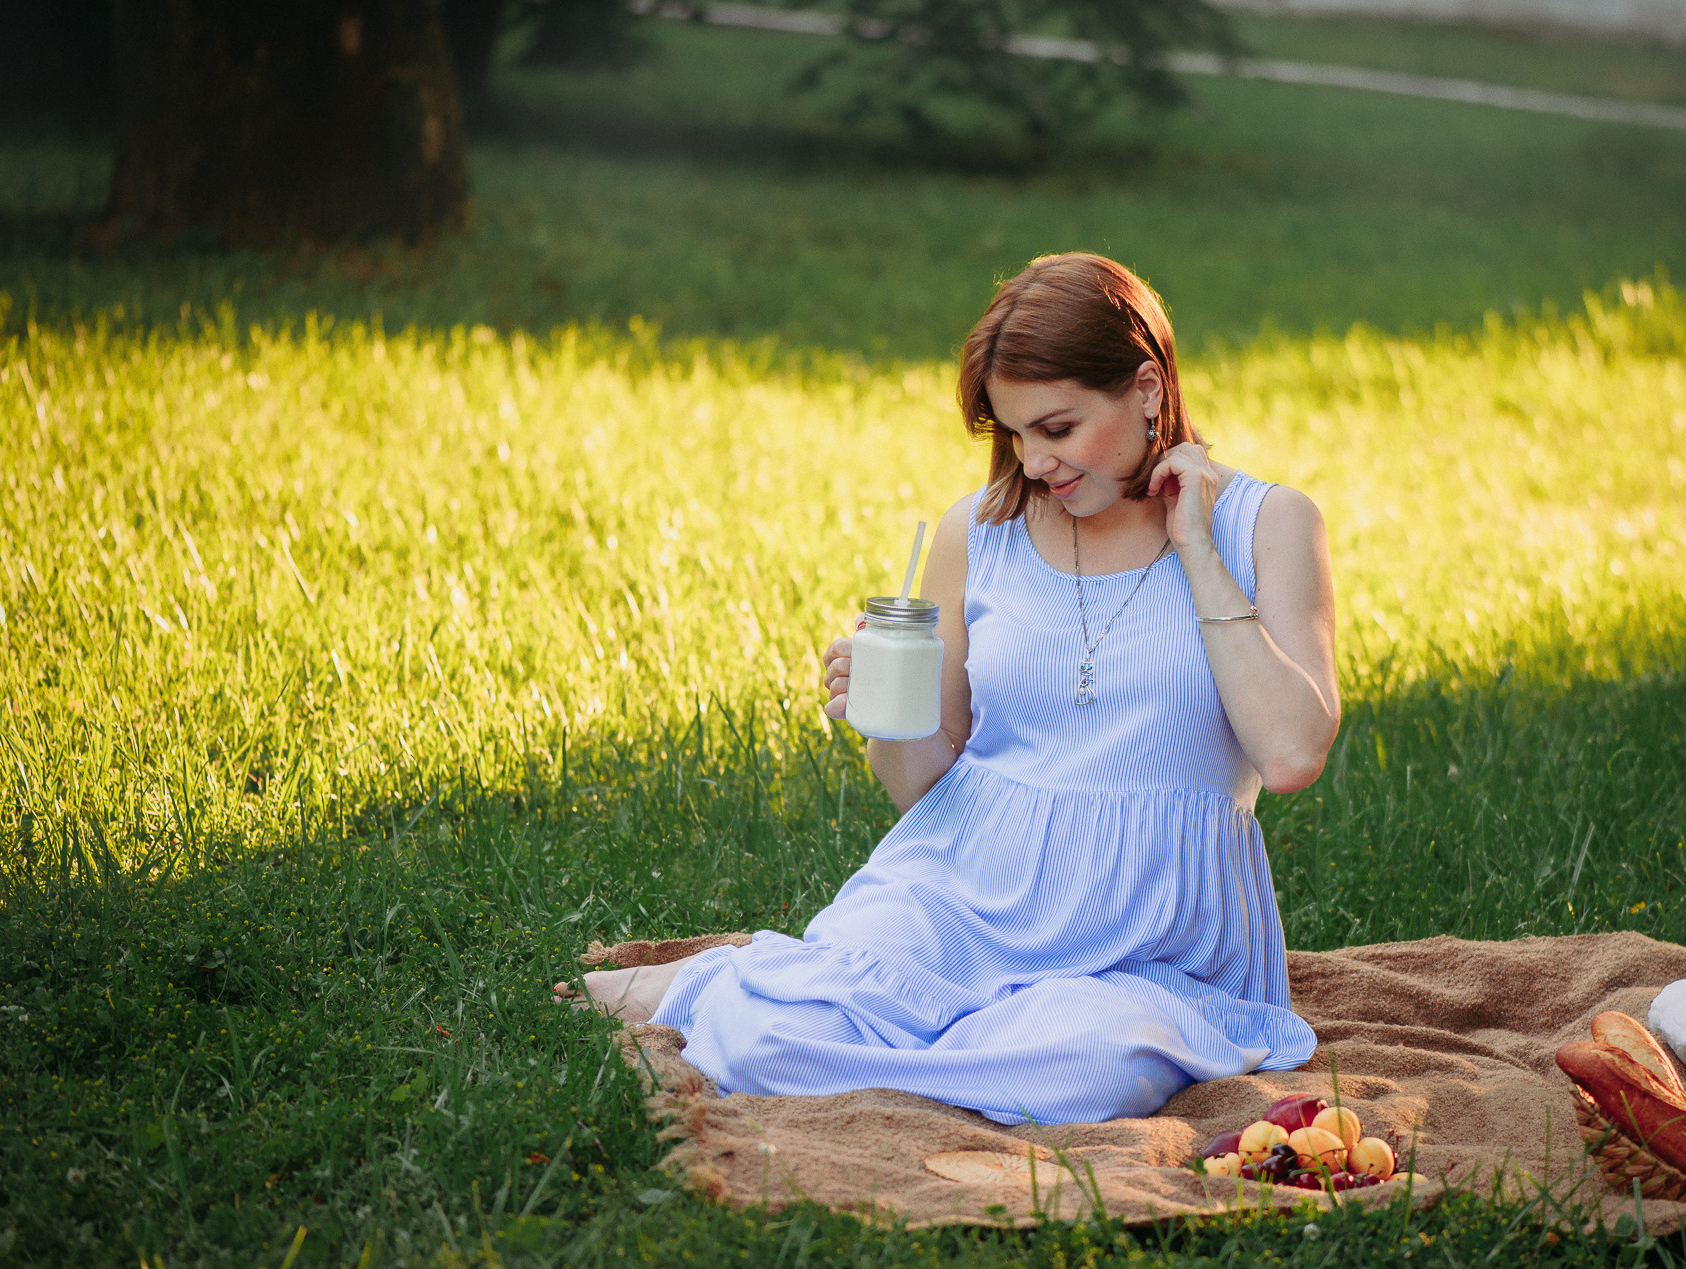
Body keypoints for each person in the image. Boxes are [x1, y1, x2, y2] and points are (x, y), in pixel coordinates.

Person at [556, 253, 1340, 1125]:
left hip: (1143, 935)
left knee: (1090, 1067)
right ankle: (780, 1002)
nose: (1036, 462)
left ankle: (774, 997)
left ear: (1148, 388)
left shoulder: (1267, 525)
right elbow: (925, 785)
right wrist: (883, 718)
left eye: (1059, 427)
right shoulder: (981, 531)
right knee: (757, 1044)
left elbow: (1291, 753)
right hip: (959, 886)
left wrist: (1195, 549)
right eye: (1015, 435)